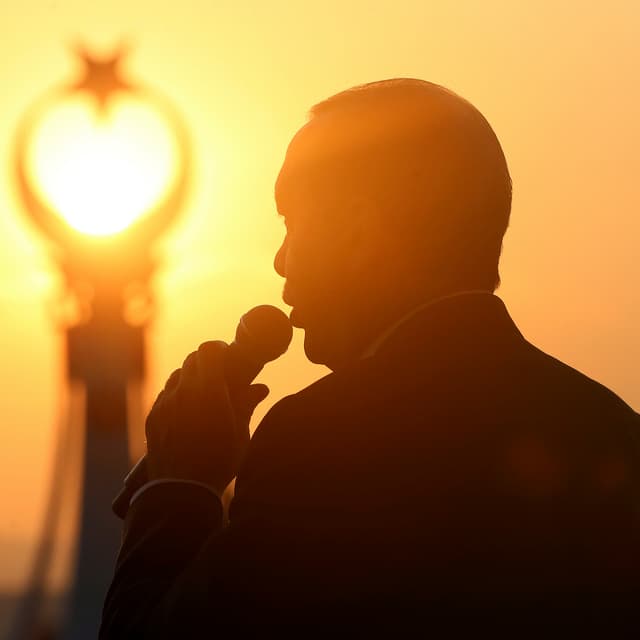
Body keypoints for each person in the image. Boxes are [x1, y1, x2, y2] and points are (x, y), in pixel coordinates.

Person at [100, 79, 640, 637]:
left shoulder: (322, 441)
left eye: (291, 222)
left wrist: (180, 484)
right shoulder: (614, 431)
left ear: (357, 232)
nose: (282, 262)